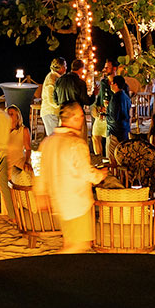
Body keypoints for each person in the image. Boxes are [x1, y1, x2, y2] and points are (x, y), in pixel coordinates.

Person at [34, 100, 105, 254]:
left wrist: (40, 193)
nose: (82, 120)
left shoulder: (47, 142)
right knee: (78, 246)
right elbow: (86, 173)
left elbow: (39, 170)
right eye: (80, 116)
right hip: (77, 203)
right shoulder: (75, 144)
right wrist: (100, 174)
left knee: (71, 243)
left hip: (59, 202)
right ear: (73, 118)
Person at [4, 105, 34, 187]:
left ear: (17, 117)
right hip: (5, 167)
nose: (9, 116)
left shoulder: (23, 130)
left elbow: (28, 149)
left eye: (11, 114)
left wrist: (27, 162)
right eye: (7, 114)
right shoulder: (2, 131)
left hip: (18, 165)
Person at [40, 57, 67, 137]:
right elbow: (51, 100)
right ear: (61, 67)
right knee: (54, 138)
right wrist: (63, 104)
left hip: (54, 112)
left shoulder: (57, 78)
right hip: (50, 112)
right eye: (65, 65)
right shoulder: (51, 80)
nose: (66, 68)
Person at [104, 72, 132, 146]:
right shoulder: (126, 97)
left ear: (115, 84)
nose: (110, 85)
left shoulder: (115, 98)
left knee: (112, 156)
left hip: (114, 132)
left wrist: (105, 115)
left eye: (112, 83)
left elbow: (114, 117)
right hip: (124, 130)